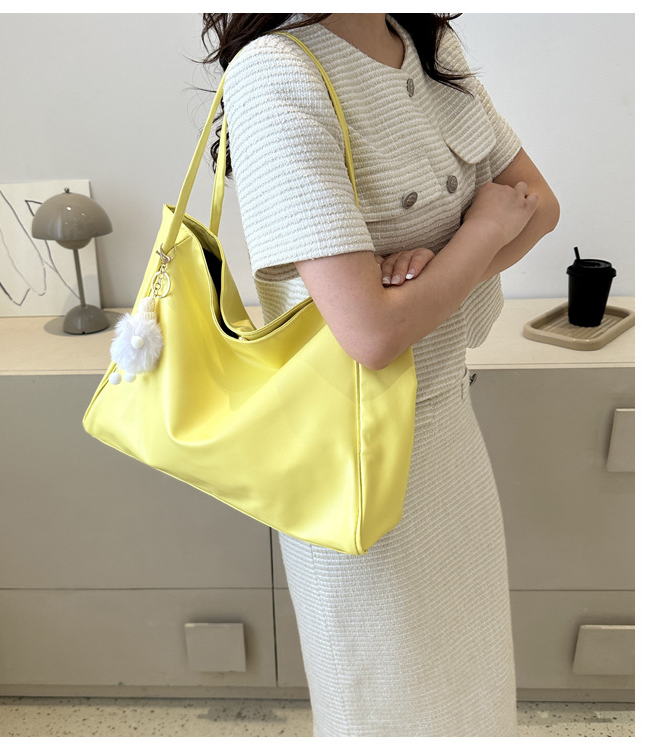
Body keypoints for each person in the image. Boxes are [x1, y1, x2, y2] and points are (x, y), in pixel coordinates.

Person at [200, 13, 559, 737]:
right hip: (352, 457)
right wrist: (480, 231)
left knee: (473, 686)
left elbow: (540, 206)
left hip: (448, 427)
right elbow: (371, 333)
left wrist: (438, 274)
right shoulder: (275, 72)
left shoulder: (425, 41)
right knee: (389, 706)